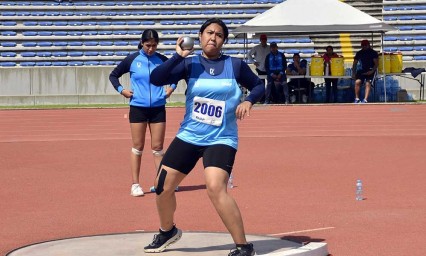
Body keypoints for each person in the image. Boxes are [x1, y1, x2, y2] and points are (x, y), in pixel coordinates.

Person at [145, 18, 264, 256]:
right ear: (200, 37)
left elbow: (259, 86)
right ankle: (168, 231)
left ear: (224, 41)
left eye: (219, 35)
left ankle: (243, 246)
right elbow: (156, 79)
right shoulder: (189, 64)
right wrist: (177, 56)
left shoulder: (236, 65)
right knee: (162, 187)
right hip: (190, 135)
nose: (213, 37)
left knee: (215, 187)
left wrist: (249, 100)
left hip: (221, 138)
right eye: (209, 33)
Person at [109, 29, 175, 197]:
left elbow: (176, 74)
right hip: (138, 107)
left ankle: (161, 183)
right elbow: (113, 75)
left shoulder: (161, 60)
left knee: (158, 147)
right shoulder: (132, 59)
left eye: (154, 46)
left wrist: (171, 89)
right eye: (147, 45)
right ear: (141, 42)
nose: (150, 49)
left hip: (158, 107)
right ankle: (135, 184)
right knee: (138, 147)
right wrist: (121, 90)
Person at [351, 39, 378, 103]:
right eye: (363, 45)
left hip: (370, 70)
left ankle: (365, 99)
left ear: (368, 45)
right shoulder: (359, 53)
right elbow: (354, 63)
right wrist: (353, 73)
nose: (364, 47)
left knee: (368, 83)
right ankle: (357, 98)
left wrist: (372, 71)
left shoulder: (373, 53)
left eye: (365, 45)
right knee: (357, 82)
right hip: (361, 70)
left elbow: (376, 63)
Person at [247, 34, 270, 103]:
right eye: (262, 39)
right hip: (260, 68)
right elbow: (249, 54)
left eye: (264, 39)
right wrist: (253, 62)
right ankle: (262, 99)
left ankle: (269, 98)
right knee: (261, 84)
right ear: (260, 40)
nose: (263, 41)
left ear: (266, 40)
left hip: (268, 68)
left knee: (270, 84)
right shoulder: (256, 48)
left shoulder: (269, 48)